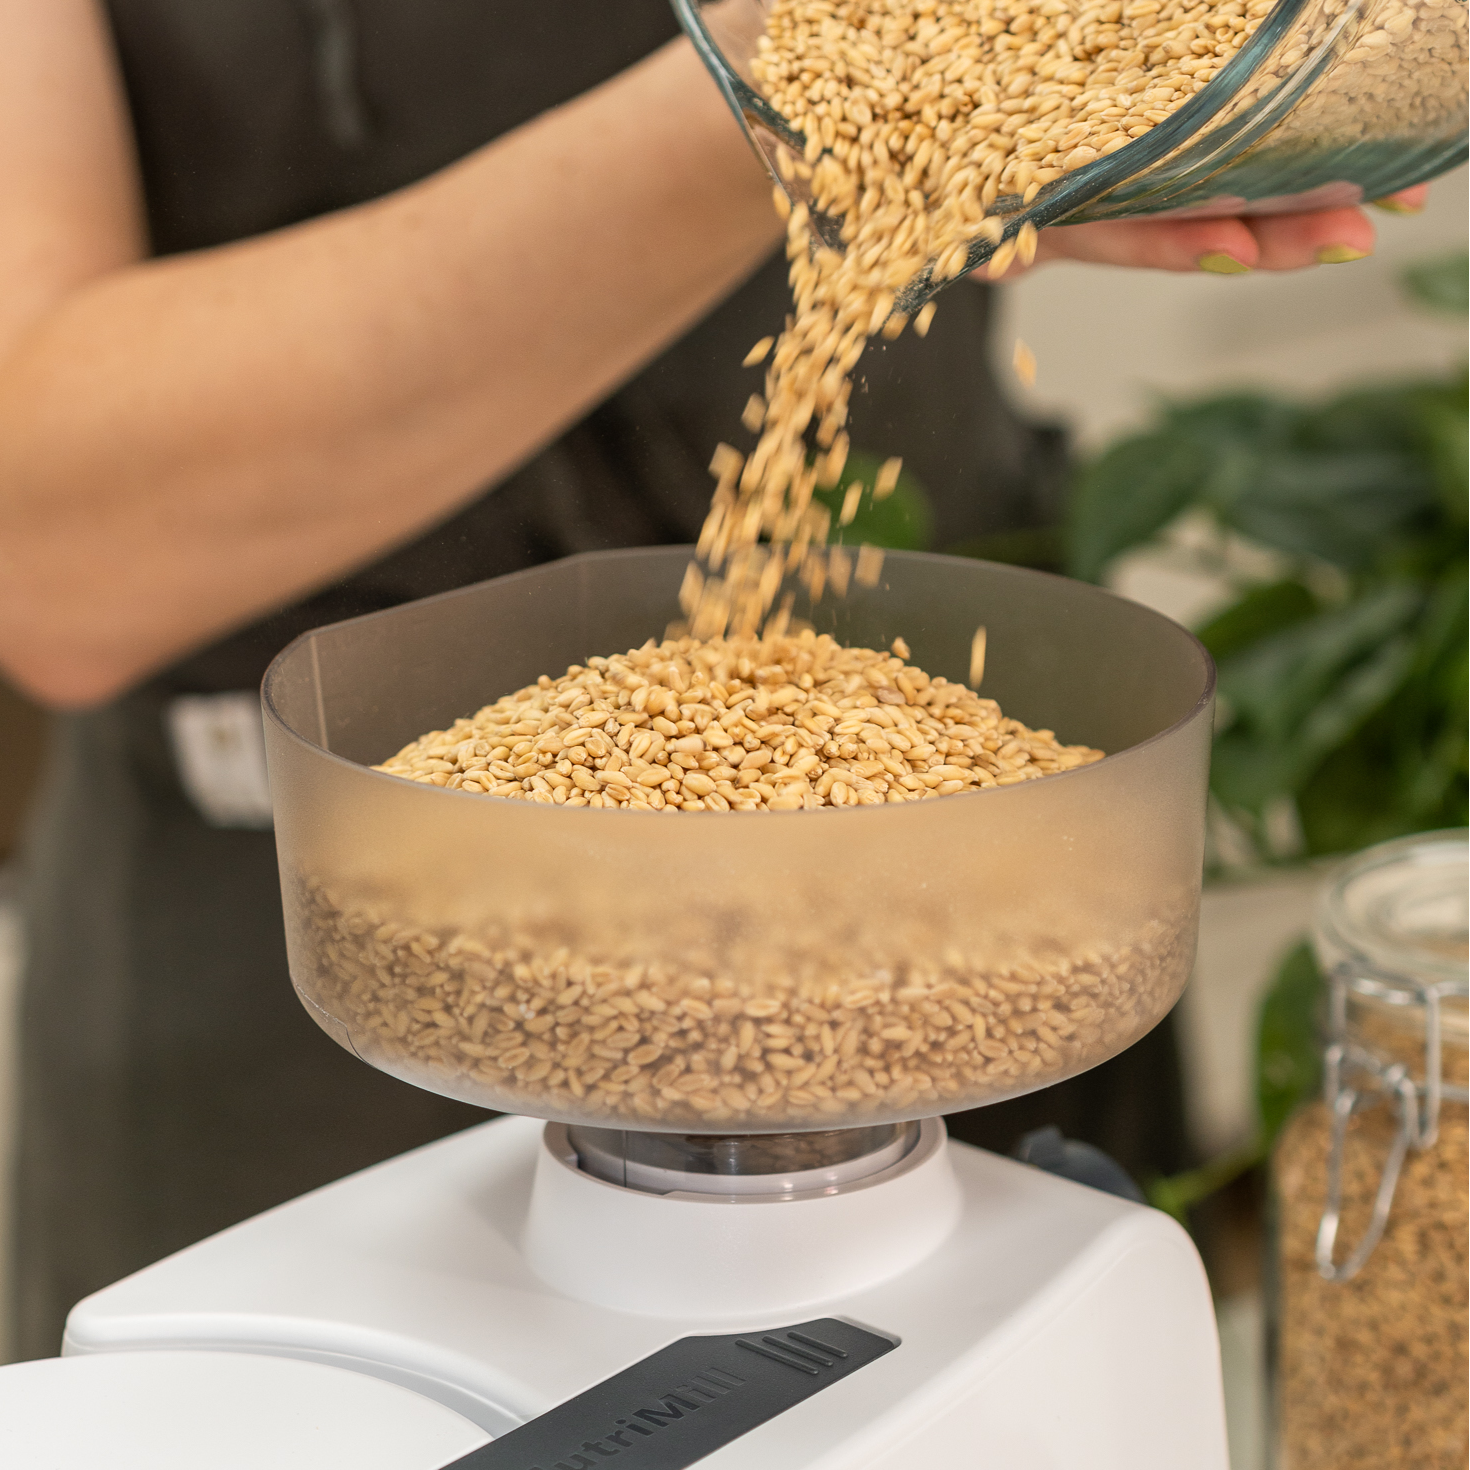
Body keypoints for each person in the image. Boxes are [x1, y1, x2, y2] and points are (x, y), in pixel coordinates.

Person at [0, 0, 1428, 1360]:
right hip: (308, 966)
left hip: (964, 867)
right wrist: (796, 87)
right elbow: (51, 536)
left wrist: (1050, 95)